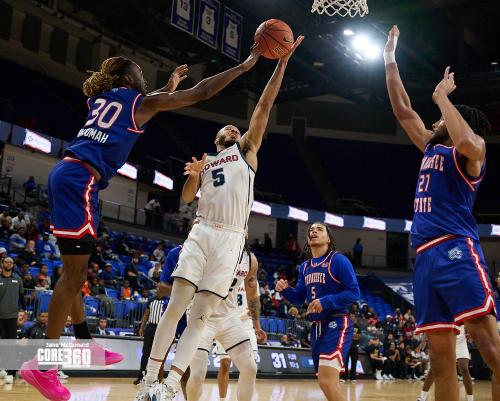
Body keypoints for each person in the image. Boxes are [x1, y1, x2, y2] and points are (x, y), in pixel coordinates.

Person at [21, 50, 261, 400]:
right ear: (130, 81)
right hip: (80, 180)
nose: (145, 81)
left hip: (70, 175)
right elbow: (202, 92)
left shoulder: (101, 99)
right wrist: (244, 66)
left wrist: (165, 89)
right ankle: (43, 366)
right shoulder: (137, 101)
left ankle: (85, 344)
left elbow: (137, 106)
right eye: (140, 75)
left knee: (74, 273)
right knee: (72, 277)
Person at [135, 36, 303, 401]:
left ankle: (167, 386)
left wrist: (282, 64)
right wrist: (193, 175)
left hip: (231, 239)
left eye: (236, 128)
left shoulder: (247, 153)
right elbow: (184, 199)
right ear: (216, 138)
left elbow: (264, 104)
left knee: (200, 315)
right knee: (177, 304)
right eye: (226, 128)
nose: (233, 128)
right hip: (202, 231)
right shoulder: (207, 162)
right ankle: (149, 378)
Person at [385, 25, 500, 401]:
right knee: (440, 357)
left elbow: (466, 140)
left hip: (456, 251)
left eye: (438, 123)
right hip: (425, 259)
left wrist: (441, 99)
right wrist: (389, 59)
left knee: (490, 349)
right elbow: (403, 111)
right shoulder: (431, 150)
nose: (431, 125)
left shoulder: (470, 152)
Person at [275, 222, 360, 401]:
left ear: (328, 238)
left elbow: (354, 293)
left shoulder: (338, 260)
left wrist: (326, 301)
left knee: (326, 382)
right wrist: (285, 291)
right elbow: (299, 297)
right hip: (316, 327)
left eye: (319, 229)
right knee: (329, 383)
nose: (313, 231)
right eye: (311, 230)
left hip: (336, 322)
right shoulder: (305, 267)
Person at [187, 247, 266, 401]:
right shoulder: (212, 245)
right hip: (203, 317)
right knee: (197, 373)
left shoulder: (249, 259)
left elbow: (253, 296)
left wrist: (257, 326)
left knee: (250, 368)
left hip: (230, 317)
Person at [418, 327, 474, 401]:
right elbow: (429, 321)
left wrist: (471, 331)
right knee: (433, 370)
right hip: (445, 341)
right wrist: (424, 340)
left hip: (460, 342)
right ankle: (422, 397)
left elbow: (468, 319)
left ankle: (470, 399)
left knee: (464, 369)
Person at [0, 257, 26, 384]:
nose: (8, 263)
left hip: (12, 317)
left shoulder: (18, 279)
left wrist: (24, 311)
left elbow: (21, 297)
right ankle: (2, 369)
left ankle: (10, 373)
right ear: (2, 264)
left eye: (11, 262)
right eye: (6, 262)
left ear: (13, 265)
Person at [343, 313, 361, 382]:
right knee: (345, 362)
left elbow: (359, 336)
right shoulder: (346, 325)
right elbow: (344, 335)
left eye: (353, 316)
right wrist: (353, 336)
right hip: (346, 346)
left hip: (355, 346)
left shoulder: (356, 326)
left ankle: (353, 377)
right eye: (350, 316)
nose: (352, 317)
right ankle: (344, 377)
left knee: (354, 361)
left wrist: (350, 335)